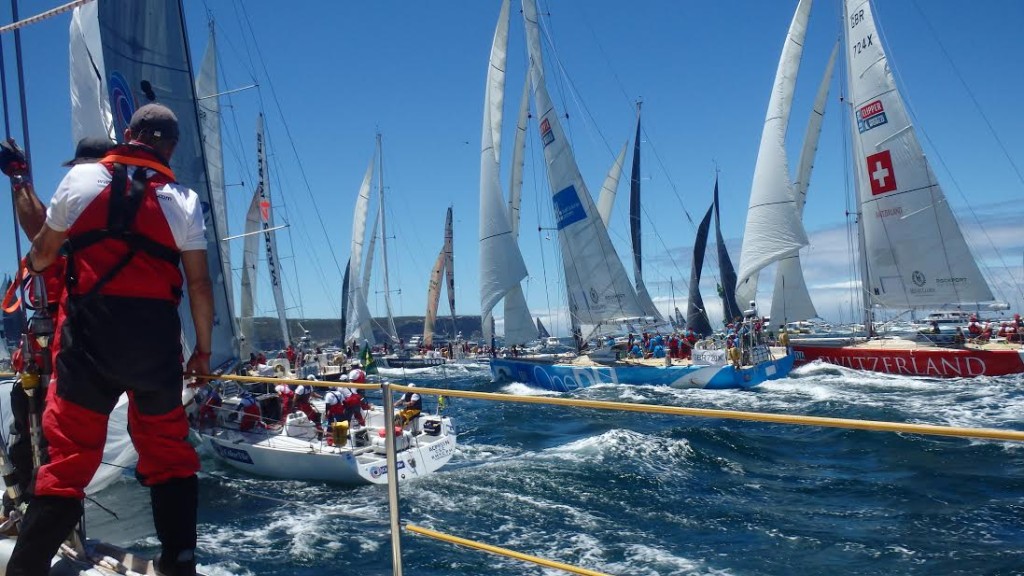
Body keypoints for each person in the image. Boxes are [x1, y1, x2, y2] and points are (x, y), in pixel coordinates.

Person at [8, 103, 209, 576]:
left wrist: (35, 268)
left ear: (129, 132)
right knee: (170, 456)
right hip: (155, 352)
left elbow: (43, 249)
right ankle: (180, 563)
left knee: (67, 465)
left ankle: (25, 569)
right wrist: (201, 350)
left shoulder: (80, 182)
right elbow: (199, 285)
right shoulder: (183, 200)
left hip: (87, 349)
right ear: (171, 146)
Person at [0, 136, 113, 521]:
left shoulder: (82, 225)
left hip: (62, 355)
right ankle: (31, 511)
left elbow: (39, 233)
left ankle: (33, 518)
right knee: (38, 438)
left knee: (43, 443)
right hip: (84, 351)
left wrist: (19, 178)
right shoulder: (121, 221)